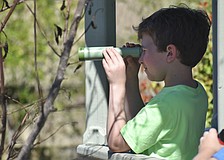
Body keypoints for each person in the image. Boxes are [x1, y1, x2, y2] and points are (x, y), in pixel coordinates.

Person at [102, 5, 211, 160]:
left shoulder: (166, 103)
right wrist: (131, 78)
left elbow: (117, 143)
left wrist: (116, 84)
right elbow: (143, 127)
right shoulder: (197, 93)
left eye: (144, 51)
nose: (140, 59)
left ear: (170, 53)